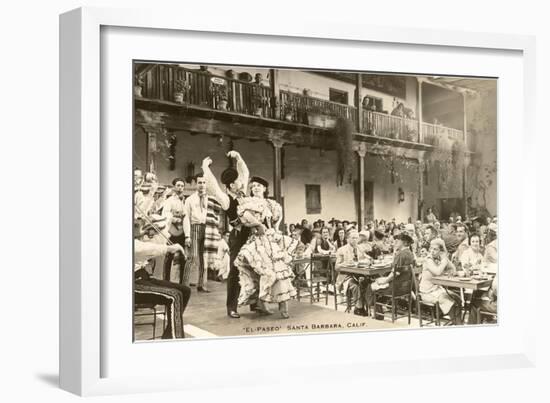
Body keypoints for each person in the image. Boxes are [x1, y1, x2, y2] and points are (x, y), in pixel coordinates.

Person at [200, 151, 260, 319]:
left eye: (240, 181)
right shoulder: (226, 199)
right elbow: (212, 185)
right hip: (239, 237)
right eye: (237, 181)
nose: (241, 182)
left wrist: (239, 157)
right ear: (231, 185)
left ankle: (255, 303)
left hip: (253, 235)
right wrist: (205, 167)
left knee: (256, 267)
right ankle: (231, 307)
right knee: (235, 270)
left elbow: (245, 172)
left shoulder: (244, 194)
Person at [234, 176, 297, 319]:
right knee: (263, 271)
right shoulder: (248, 203)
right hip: (257, 240)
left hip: (271, 239)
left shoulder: (272, 204)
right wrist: (258, 224)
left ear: (264, 188)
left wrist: (275, 232)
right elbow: (247, 219)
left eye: (259, 185)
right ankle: (261, 304)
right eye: (253, 186)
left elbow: (275, 223)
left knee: (279, 269)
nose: (255, 188)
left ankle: (283, 303)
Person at [134, 220, 191, 339]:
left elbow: (149, 248)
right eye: (135, 224)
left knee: (185, 291)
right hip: (134, 284)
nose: (138, 225)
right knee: (174, 296)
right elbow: (141, 248)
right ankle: (176, 340)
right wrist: (169, 248)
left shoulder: (138, 239)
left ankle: (169, 335)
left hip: (143, 277)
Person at [182, 174, 219, 292]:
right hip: (195, 228)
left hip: (208, 229)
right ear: (195, 184)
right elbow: (186, 217)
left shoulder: (211, 199)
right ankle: (184, 285)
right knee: (192, 257)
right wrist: (187, 235)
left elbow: (216, 216)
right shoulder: (190, 199)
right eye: (199, 182)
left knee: (204, 257)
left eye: (204, 182)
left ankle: (201, 284)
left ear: (207, 184)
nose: (202, 185)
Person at [366, 233, 415, 318]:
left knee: (370, 286)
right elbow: (395, 266)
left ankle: (375, 313)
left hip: (395, 288)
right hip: (405, 288)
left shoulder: (401, 254)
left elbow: (395, 273)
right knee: (379, 281)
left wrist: (384, 281)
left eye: (398, 240)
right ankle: (379, 309)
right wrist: (394, 252)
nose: (395, 242)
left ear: (404, 243)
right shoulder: (409, 253)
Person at [419, 238, 463, 325]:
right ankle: (457, 324)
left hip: (438, 289)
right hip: (427, 292)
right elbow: (437, 271)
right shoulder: (428, 260)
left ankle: (456, 322)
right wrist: (444, 261)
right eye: (431, 248)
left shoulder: (440, 258)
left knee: (457, 298)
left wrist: (445, 258)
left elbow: (453, 269)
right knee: (448, 300)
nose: (432, 251)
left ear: (441, 251)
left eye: (435, 249)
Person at [334, 229, 372, 316]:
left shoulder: (359, 248)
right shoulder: (341, 250)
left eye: (356, 238)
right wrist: (345, 264)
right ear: (347, 239)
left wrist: (368, 260)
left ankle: (367, 305)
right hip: (345, 276)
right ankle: (359, 307)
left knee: (368, 282)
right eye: (353, 238)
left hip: (359, 274)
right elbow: (336, 267)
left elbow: (365, 259)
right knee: (355, 285)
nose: (355, 240)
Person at [161, 177, 187, 283]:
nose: (180, 188)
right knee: (169, 255)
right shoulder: (169, 200)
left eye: (182, 186)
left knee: (182, 256)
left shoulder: (184, 200)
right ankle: (166, 280)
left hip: (182, 231)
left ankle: (181, 281)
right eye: (178, 185)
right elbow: (165, 213)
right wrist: (173, 218)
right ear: (174, 187)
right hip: (172, 231)